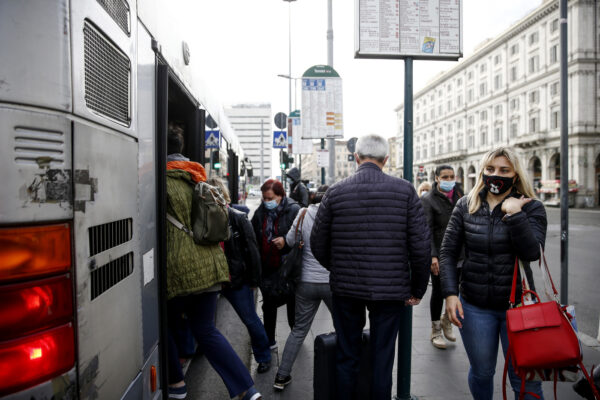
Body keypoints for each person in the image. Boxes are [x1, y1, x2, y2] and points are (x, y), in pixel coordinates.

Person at [310, 134, 431, 400]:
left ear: (356, 157)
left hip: (345, 288)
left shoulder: (335, 191)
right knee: (382, 357)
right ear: (385, 160)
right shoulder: (405, 190)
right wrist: (417, 288)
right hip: (390, 291)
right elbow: (421, 247)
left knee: (347, 354)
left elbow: (317, 242)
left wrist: (338, 268)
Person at [440, 146, 547, 400]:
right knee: (482, 373)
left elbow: (532, 252)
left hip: (520, 308)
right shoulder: (466, 205)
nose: (495, 175)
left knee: (525, 378)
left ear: (516, 174)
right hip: (475, 306)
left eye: (503, 170)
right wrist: (450, 294)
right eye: (490, 169)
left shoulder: (532, 207)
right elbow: (448, 252)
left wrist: (515, 214)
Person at [165, 124, 261, 400]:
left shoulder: (158, 180)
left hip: (180, 268)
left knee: (166, 326)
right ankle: (247, 389)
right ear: (181, 150)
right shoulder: (201, 179)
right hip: (212, 265)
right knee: (206, 329)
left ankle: (176, 385)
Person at [207, 178, 272, 374]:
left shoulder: (237, 217)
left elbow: (252, 250)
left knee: (250, 319)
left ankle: (264, 357)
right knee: (205, 326)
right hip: (213, 279)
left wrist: (254, 280)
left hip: (235, 280)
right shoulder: (203, 218)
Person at [273, 185, 332, 391]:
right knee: (346, 327)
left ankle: (281, 376)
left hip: (305, 281)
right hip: (333, 283)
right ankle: (346, 372)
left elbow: (290, 240)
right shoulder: (338, 215)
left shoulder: (303, 213)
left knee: (298, 330)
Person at [251, 179, 301, 349]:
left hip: (288, 268)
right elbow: (254, 239)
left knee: (292, 306)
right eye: (264, 198)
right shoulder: (260, 213)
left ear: (281, 196)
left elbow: (303, 239)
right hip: (268, 267)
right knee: (268, 306)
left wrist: (286, 243)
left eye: (270, 198)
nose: (267, 202)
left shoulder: (294, 210)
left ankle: (296, 339)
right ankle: (270, 341)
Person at [421, 165, 463, 349]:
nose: (449, 179)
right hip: (440, 253)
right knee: (438, 291)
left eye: (451, 176)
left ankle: (447, 321)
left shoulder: (461, 196)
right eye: (445, 176)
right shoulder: (428, 200)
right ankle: (436, 330)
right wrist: (432, 256)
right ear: (437, 178)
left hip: (461, 252)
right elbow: (426, 230)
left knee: (458, 288)